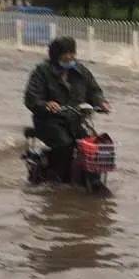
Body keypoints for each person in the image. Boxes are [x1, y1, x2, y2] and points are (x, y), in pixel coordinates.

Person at [23, 36, 109, 183]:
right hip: (49, 121)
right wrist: (46, 104)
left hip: (76, 121)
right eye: (65, 53)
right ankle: (56, 178)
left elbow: (94, 90)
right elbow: (31, 98)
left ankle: (86, 177)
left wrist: (101, 102)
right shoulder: (42, 72)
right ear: (55, 55)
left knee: (92, 145)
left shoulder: (81, 71)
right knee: (65, 145)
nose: (70, 56)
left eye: (72, 52)